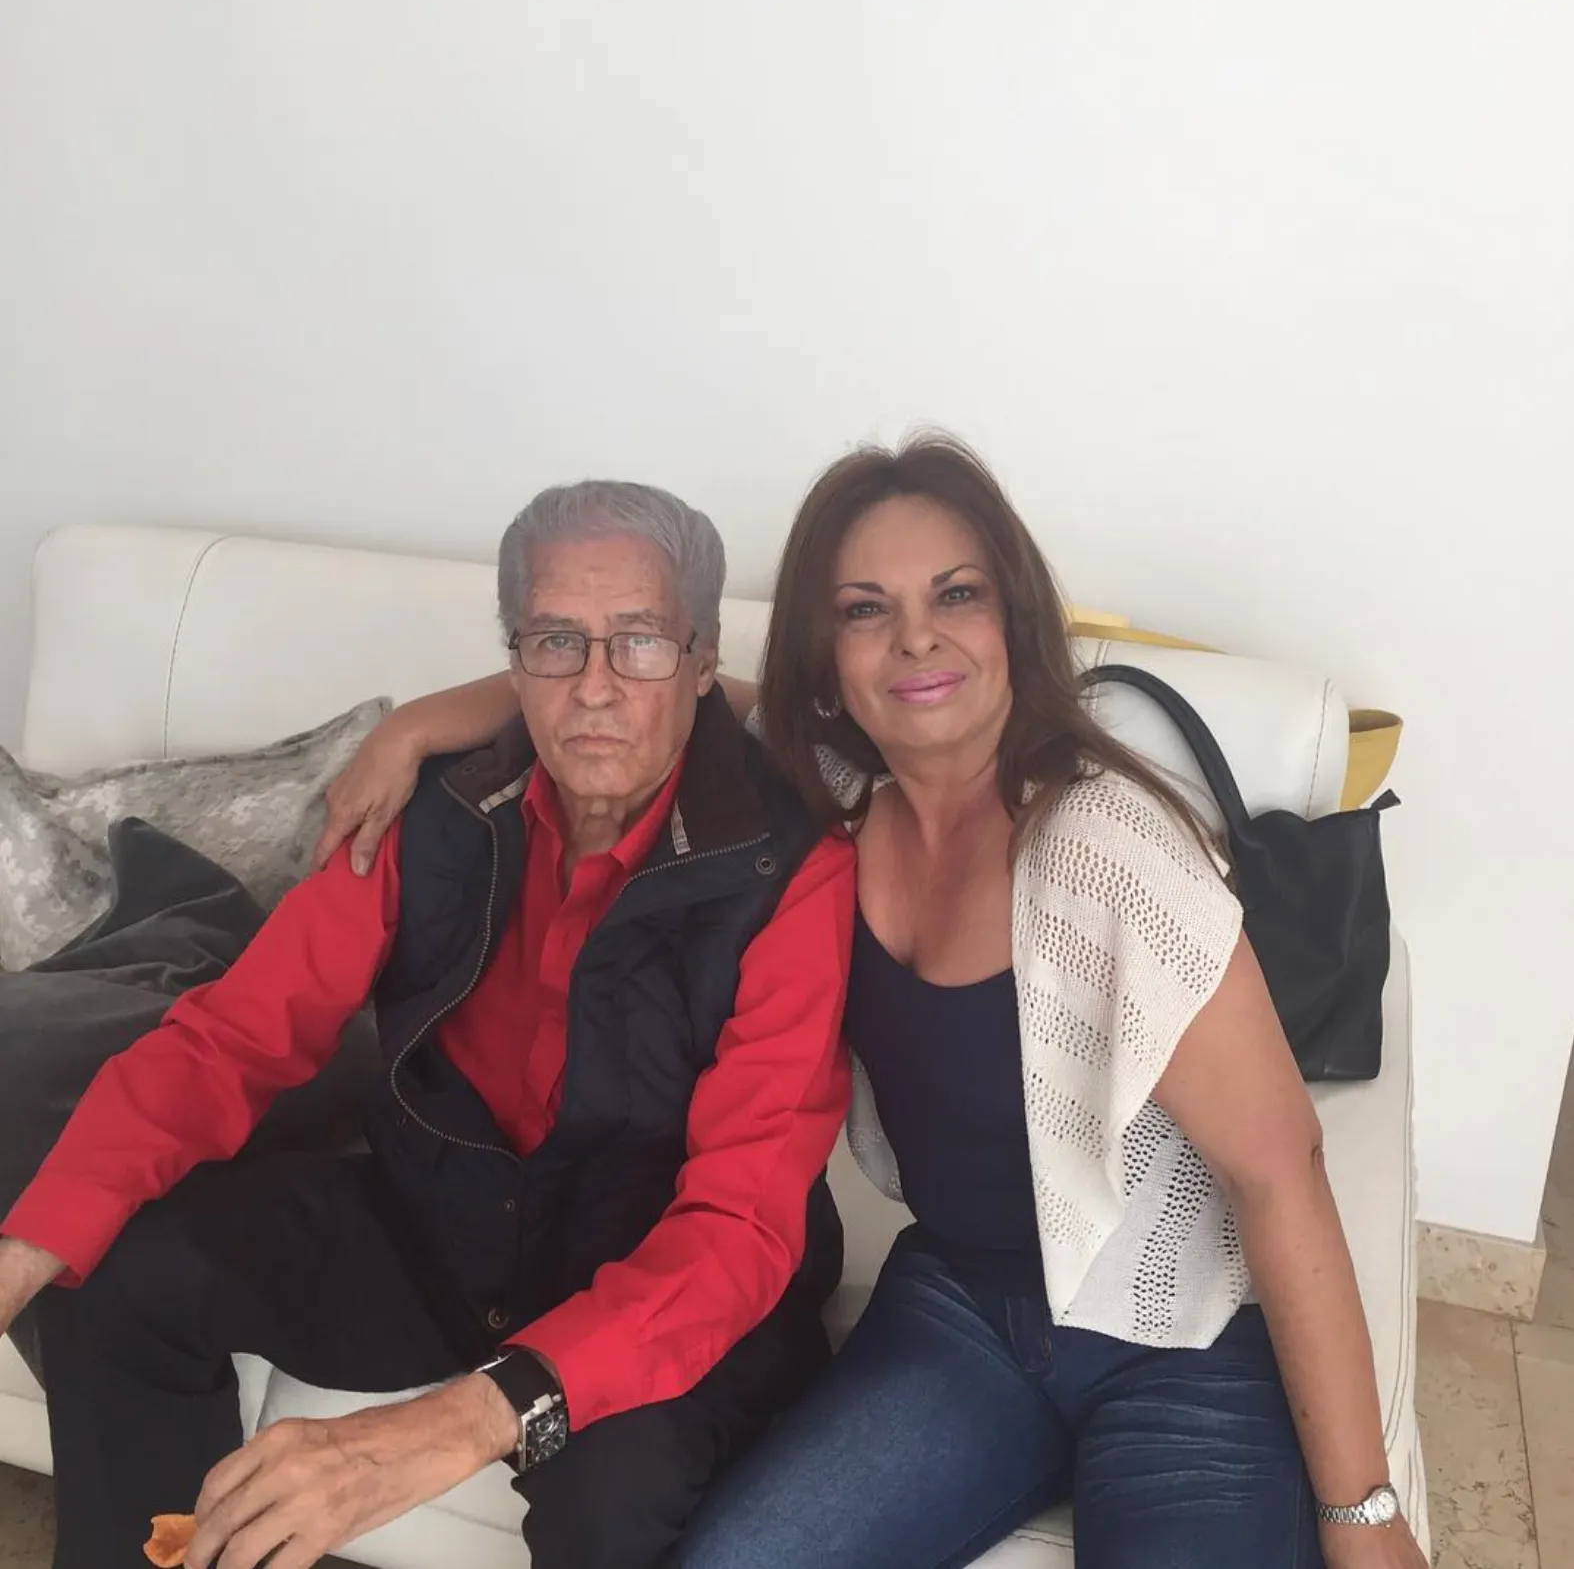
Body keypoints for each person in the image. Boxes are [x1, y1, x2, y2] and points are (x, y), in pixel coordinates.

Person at [313, 437, 1428, 1569]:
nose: (915, 637)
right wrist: (412, 727)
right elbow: (643, 690)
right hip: (963, 1317)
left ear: (1013, 619)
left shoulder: (1111, 849)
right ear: (826, 653)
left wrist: (1364, 1513)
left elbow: (1280, 1169)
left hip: (1180, 1347)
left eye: (956, 594)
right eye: (865, 609)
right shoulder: (830, 800)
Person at [0, 481, 858, 1569]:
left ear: (700, 659)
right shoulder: (431, 808)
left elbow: (738, 1226)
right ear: (515, 660)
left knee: (607, 1493)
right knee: (116, 1275)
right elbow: (234, 1037)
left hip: (665, 1275)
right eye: (556, 641)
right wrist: (28, 1245)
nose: (595, 686)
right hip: (442, 1233)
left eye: (639, 641)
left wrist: (460, 1420)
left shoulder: (792, 864)